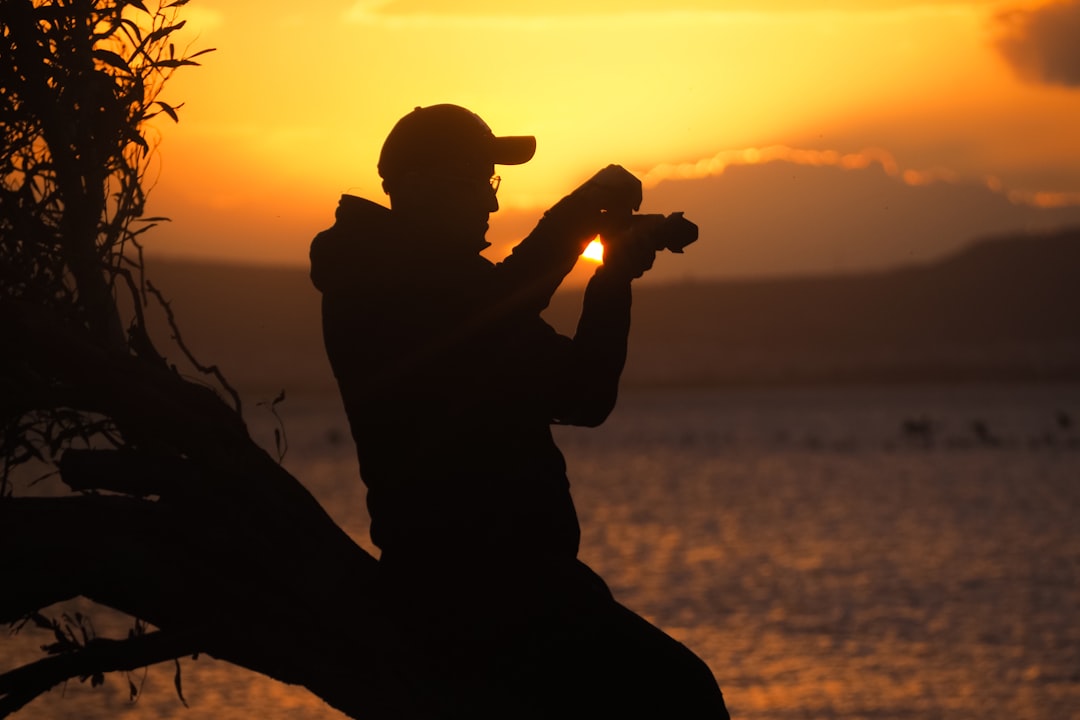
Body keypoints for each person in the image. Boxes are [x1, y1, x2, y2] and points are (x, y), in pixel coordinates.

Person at [310, 104, 729, 718]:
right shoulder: (392, 288)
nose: (492, 204)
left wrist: (607, 266)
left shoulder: (423, 287)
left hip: (504, 590)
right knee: (682, 695)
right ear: (430, 187)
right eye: (482, 182)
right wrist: (587, 230)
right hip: (480, 595)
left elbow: (552, 360)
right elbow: (537, 335)